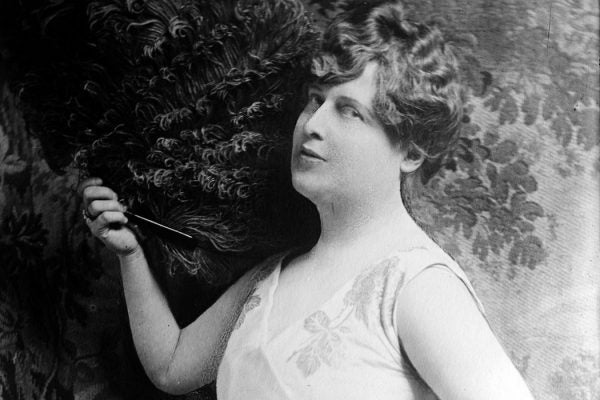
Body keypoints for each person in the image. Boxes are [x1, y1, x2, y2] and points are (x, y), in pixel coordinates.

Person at [79, 1, 535, 398]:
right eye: (314, 100)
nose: (313, 124)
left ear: (411, 151)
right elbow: (172, 367)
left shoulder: (417, 286)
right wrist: (131, 254)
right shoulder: (273, 275)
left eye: (349, 111)